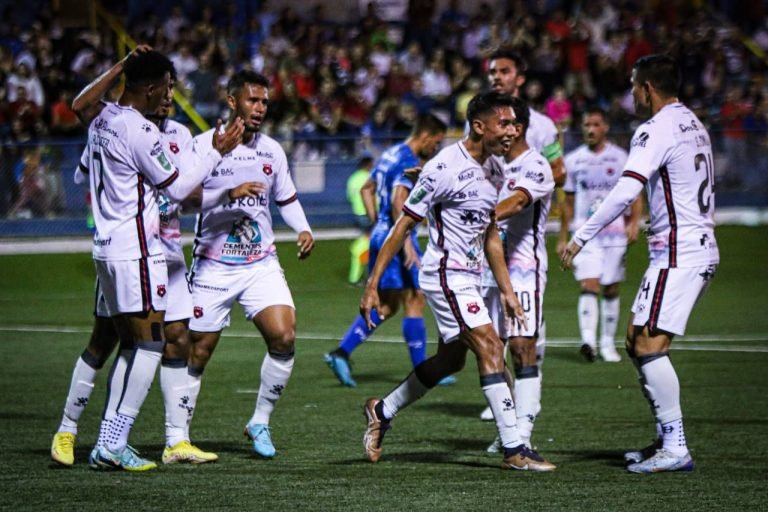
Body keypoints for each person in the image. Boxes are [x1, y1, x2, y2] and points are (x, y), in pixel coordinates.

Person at [50, 47, 247, 468]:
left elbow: (81, 104)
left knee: (137, 342)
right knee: (146, 344)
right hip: (135, 249)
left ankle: (116, 440)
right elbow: (175, 189)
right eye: (166, 88)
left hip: (115, 247)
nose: (170, 96)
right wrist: (217, 151)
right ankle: (106, 441)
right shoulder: (139, 130)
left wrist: (123, 66)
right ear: (152, 88)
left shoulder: (104, 118)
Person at [360, 91, 555, 472]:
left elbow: (491, 235)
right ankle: (515, 449)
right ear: (479, 127)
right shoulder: (444, 166)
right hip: (445, 276)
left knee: (450, 361)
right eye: (505, 123)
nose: (513, 130)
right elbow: (402, 226)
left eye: (516, 123)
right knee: (490, 346)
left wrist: (507, 290)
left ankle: (382, 410)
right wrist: (372, 284)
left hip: (472, 276)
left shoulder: (495, 169)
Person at [561, 54, 719, 473]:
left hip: (680, 252)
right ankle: (667, 440)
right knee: (636, 339)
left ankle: (676, 447)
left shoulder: (654, 129)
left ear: (647, 88)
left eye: (633, 85)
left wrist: (580, 236)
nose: (631, 93)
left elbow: (624, 191)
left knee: (649, 345)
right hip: (685, 246)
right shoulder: (693, 124)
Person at [186, 70, 315, 460]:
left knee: (285, 336)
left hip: (260, 262)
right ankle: (179, 435)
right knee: (196, 353)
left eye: (264, 102)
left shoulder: (271, 151)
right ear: (232, 102)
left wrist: (304, 229)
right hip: (213, 266)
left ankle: (260, 420)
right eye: (252, 100)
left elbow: (286, 198)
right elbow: (185, 196)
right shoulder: (202, 146)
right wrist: (229, 192)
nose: (259, 108)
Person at [324, 114, 448, 388]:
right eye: (436, 143)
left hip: (383, 233)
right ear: (426, 137)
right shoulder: (408, 161)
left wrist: (375, 223)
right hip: (397, 235)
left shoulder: (390, 154)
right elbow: (398, 202)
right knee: (414, 298)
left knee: (390, 305)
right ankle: (423, 371)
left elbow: (368, 188)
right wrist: (405, 243)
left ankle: (341, 353)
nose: (436, 150)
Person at [477, 47, 566, 423]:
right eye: (492, 71)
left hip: (525, 248)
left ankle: (525, 414)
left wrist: (532, 187)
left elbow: (558, 169)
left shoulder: (541, 126)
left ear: (520, 77)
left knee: (524, 338)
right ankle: (510, 405)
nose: (497, 76)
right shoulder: (484, 117)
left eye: (504, 70)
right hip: (492, 252)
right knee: (492, 339)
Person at [480, 96, 555, 454]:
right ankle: (509, 429)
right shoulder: (494, 166)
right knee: (494, 349)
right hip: (492, 273)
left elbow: (519, 202)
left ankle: (523, 433)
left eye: (508, 124)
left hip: (525, 271)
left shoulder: (536, 165)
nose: (504, 131)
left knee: (524, 347)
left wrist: (481, 214)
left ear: (519, 128)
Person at [558, 107, 642, 363]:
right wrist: (563, 237)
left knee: (611, 286)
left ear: (605, 127)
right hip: (585, 234)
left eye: (595, 124)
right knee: (589, 283)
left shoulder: (620, 158)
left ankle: (607, 342)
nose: (590, 130)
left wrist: (634, 222)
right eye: (586, 125)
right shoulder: (573, 161)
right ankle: (588, 341)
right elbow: (567, 203)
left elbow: (634, 194)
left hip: (614, 233)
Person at [346, 152, 374, 285]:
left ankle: (358, 275)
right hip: (369, 214)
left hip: (358, 213)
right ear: (369, 164)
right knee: (372, 243)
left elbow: (350, 197)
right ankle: (369, 275)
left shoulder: (352, 178)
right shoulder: (369, 177)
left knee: (367, 241)